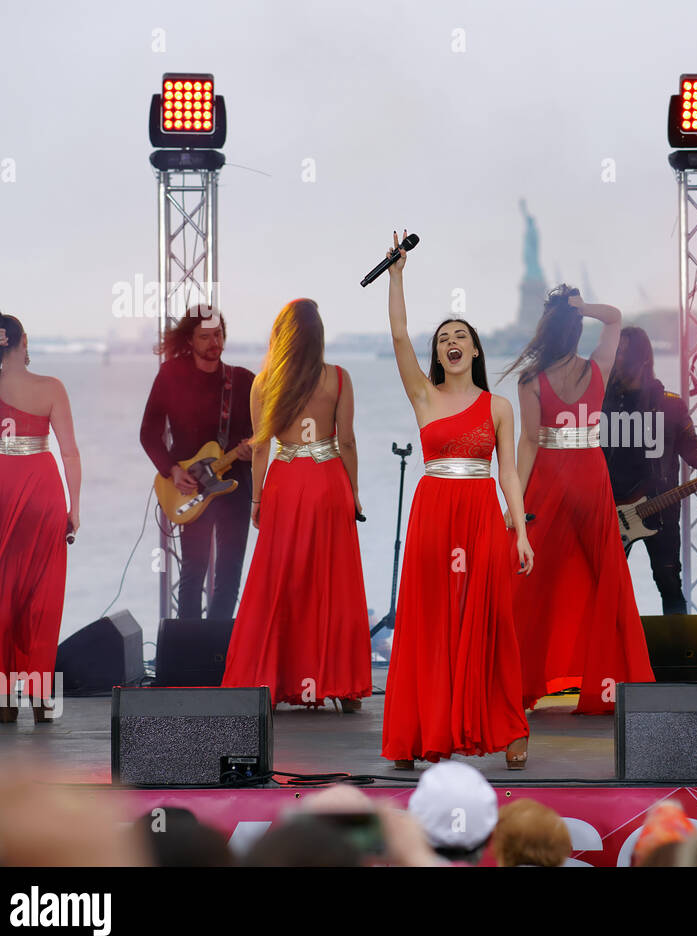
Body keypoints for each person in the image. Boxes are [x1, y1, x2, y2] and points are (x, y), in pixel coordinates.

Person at [379, 231, 531, 770]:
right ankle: (420, 733)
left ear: (474, 350)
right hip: (434, 514)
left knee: (490, 622)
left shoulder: (499, 406)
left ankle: (508, 726)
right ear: (439, 353)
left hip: (482, 516)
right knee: (429, 623)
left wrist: (521, 531)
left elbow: (508, 473)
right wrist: (397, 277)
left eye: (460, 335)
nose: (452, 341)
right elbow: (399, 336)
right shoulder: (424, 394)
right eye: (444, 337)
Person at [503, 285, 656, 714]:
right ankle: (612, 685)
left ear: (545, 330)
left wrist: (515, 506)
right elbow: (615, 317)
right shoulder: (597, 368)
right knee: (605, 575)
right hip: (590, 475)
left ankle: (520, 686)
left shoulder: (531, 379)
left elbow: (529, 442)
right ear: (575, 329)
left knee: (531, 578)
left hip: (549, 478)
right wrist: (585, 308)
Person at [219, 299, 371, 712]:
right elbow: (347, 441)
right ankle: (344, 688)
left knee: (279, 580)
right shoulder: (338, 377)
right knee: (333, 581)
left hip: (285, 483)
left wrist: (256, 498)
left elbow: (261, 447)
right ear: (318, 336)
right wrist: (354, 491)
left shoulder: (264, 383)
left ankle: (266, 682)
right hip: (329, 480)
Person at [0, 311, 79, 722]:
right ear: (24, 342)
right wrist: (74, 507)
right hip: (42, 488)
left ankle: (4, 702)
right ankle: (41, 698)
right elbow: (70, 454)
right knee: (41, 595)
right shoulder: (51, 387)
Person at [602, 326, 697, 613]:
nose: (615, 358)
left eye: (622, 352)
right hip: (610, 511)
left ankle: (679, 640)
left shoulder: (669, 405)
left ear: (641, 358)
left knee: (669, 584)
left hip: (660, 510)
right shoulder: (603, 403)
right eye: (614, 351)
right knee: (604, 588)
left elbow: (695, 452)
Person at [140, 306, 255, 620]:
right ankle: (188, 646)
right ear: (189, 340)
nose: (214, 342)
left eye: (218, 335)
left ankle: (217, 647)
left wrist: (252, 450)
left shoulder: (243, 380)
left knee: (229, 577)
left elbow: (262, 433)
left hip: (235, 487)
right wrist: (172, 470)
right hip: (190, 486)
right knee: (193, 573)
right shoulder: (171, 375)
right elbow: (148, 434)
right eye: (205, 337)